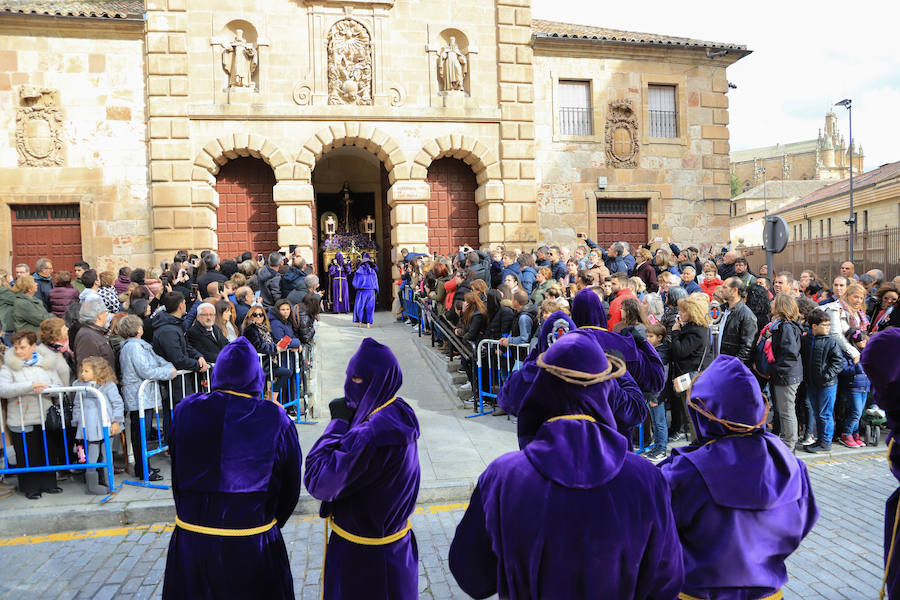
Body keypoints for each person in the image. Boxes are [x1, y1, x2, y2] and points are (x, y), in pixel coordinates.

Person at [450, 331, 684, 599]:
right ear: (606, 389)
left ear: (542, 389)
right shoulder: (647, 479)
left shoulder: (503, 476)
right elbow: (666, 582)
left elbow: (472, 576)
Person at [659, 355, 818, 598]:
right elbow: (802, 523)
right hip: (769, 593)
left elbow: (657, 533)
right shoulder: (791, 464)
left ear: (703, 412)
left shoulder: (684, 471)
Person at [162, 337, 301, 600]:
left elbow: (177, 474)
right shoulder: (274, 418)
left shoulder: (185, 410)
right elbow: (290, 486)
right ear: (256, 376)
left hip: (194, 540)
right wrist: (268, 523)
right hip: (251, 541)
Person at [304, 338, 420, 600]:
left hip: (363, 561)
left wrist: (337, 424)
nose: (348, 386)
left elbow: (318, 480)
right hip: (396, 551)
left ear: (377, 381)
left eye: (356, 380)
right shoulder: (397, 411)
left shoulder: (371, 434)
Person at [0, 330, 67, 499]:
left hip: (45, 416)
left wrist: (46, 389)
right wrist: (30, 386)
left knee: (47, 451)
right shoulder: (9, 367)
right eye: (16, 347)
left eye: (22, 347)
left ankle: (49, 483)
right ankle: (30, 487)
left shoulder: (46, 364)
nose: (18, 351)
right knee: (27, 454)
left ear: (33, 346)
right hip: (21, 418)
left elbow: (58, 385)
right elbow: (3, 389)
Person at [118, 315, 175, 481]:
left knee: (142, 432)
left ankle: (144, 467)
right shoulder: (134, 348)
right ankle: (143, 469)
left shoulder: (137, 346)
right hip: (139, 397)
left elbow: (156, 362)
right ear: (138, 330)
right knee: (140, 434)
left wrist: (168, 367)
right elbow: (146, 370)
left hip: (142, 396)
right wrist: (168, 372)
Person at [71, 356, 124, 495]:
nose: (83, 374)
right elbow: (77, 405)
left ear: (98, 371)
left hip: (106, 426)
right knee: (92, 457)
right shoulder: (80, 387)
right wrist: (77, 422)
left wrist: (116, 421)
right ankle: (92, 486)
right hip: (89, 429)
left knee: (107, 456)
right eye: (82, 370)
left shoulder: (108, 385)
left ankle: (109, 482)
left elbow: (117, 403)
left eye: (86, 371)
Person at [801, 309, 845, 453]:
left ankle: (826, 443)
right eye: (825, 325)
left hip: (827, 385)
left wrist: (826, 375)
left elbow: (839, 362)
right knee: (817, 412)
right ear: (814, 326)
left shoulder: (830, 341)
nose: (828, 327)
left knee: (825, 414)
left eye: (829, 325)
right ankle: (819, 440)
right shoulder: (806, 339)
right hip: (812, 384)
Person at [767, 294, 804, 451]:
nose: (771, 303)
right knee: (784, 410)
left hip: (786, 375)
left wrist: (776, 368)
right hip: (785, 373)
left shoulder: (786, 326)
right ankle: (787, 441)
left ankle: (790, 444)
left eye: (774, 302)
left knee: (787, 411)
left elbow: (789, 352)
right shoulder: (781, 324)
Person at [242, 304, 291, 404]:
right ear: (250, 316)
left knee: (287, 372)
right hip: (257, 365)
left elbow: (266, 344)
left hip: (267, 363)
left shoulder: (265, 329)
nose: (258, 317)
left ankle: (272, 396)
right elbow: (258, 346)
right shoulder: (250, 329)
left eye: (261, 315)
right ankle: (271, 399)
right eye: (255, 314)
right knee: (258, 394)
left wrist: (277, 345)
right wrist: (275, 348)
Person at [837, 328, 870, 448]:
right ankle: (846, 434)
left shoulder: (866, 351)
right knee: (855, 412)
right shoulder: (848, 353)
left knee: (859, 413)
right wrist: (857, 365)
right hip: (853, 386)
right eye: (862, 341)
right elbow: (843, 369)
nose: (865, 343)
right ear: (854, 341)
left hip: (865, 386)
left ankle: (855, 434)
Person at [823, 283, 868, 364]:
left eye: (861, 298)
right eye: (856, 297)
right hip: (839, 355)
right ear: (847, 296)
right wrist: (854, 354)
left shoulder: (859, 313)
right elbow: (835, 334)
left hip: (854, 354)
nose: (859, 301)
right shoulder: (835, 309)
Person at [717, 278, 757, 365]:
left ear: (734, 290)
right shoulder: (721, 309)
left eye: (725, 287)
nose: (721, 290)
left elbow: (747, 348)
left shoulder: (747, 316)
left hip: (730, 367)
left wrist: (733, 366)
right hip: (717, 363)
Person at [73, 296, 114, 372]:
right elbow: (86, 369)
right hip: (100, 382)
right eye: (105, 312)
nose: (107, 315)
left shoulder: (95, 332)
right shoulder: (87, 337)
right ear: (99, 316)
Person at [352, 252, 378, 328]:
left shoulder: (358, 272)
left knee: (360, 306)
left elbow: (354, 283)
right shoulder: (373, 272)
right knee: (370, 307)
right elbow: (376, 283)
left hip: (361, 291)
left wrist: (357, 287)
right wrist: (376, 290)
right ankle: (368, 324)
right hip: (370, 291)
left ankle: (360, 323)